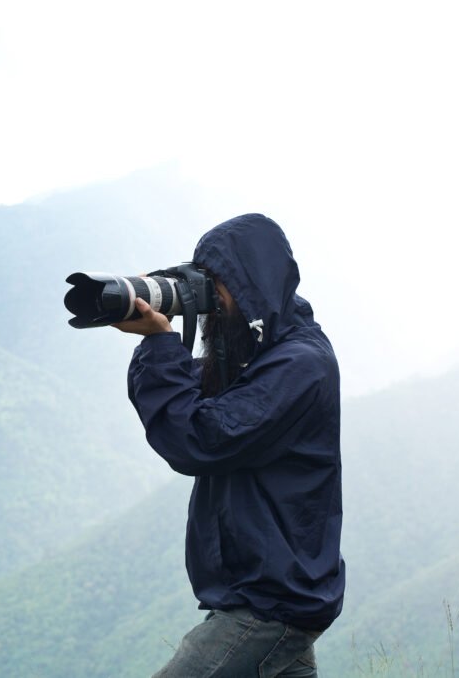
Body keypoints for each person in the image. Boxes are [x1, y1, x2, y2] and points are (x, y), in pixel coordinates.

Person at [113, 213, 344, 678]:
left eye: (218, 283)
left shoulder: (299, 365)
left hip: (267, 607)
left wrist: (161, 344)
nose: (212, 297)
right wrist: (158, 325)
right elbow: (182, 396)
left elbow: (197, 439)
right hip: (270, 598)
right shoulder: (255, 356)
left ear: (252, 284)